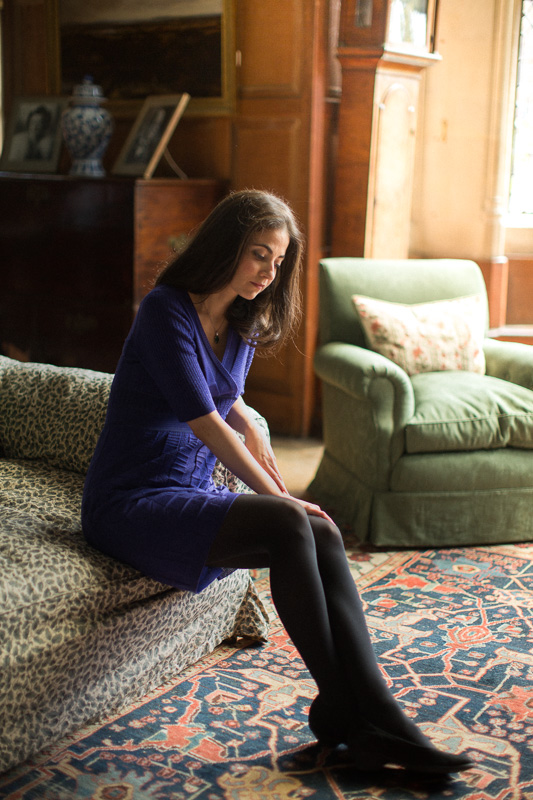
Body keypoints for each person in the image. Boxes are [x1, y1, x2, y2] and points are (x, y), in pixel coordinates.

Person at [82, 190, 472, 774]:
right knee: (293, 518)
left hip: (187, 492)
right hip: (130, 502)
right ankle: (347, 713)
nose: (269, 272)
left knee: (320, 532)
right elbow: (208, 422)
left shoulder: (243, 318)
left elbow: (235, 405)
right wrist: (280, 498)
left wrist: (286, 489)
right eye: (258, 255)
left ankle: (376, 715)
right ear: (224, 248)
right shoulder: (165, 310)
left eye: (278, 260)